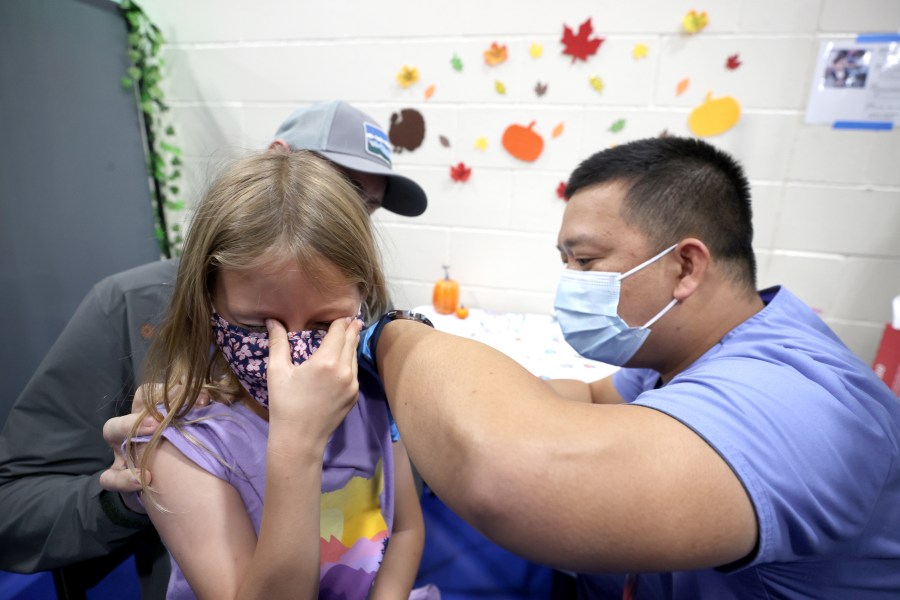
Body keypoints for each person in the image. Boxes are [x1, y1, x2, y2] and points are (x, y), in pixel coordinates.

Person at [354, 137, 900, 597]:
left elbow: (513, 477)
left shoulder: (800, 405)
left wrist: (390, 336)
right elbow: (592, 399)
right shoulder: (684, 349)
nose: (570, 281)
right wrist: (460, 409)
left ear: (685, 266)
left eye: (586, 261)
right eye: (565, 262)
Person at [0, 100, 426, 598]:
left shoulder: (361, 321)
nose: (333, 216)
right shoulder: (127, 306)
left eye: (363, 208)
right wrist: (126, 500)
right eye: (335, 188)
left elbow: (399, 511)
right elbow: (15, 504)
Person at [122, 150, 425, 599]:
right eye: (256, 325)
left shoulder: (375, 397)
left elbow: (404, 531)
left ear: (361, 300)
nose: (293, 356)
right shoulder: (178, 440)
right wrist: (297, 443)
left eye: (325, 325)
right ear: (207, 305)